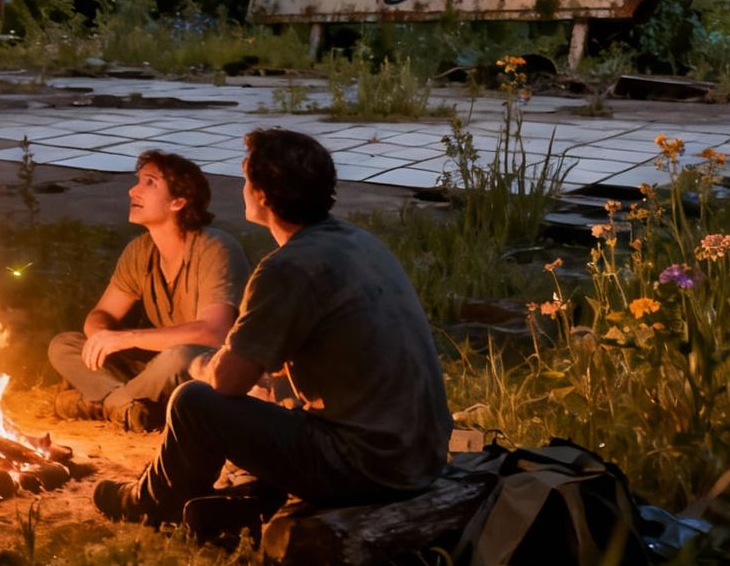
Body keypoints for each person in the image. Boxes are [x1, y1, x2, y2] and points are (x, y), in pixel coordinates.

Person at [95, 129, 452, 533]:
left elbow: (227, 382)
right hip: (420, 455)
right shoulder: (358, 242)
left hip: (368, 465)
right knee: (271, 394)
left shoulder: (287, 269)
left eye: (247, 179)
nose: (243, 188)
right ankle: (247, 502)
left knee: (193, 401)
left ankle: (151, 503)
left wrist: (198, 365)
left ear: (262, 195)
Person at [49, 150, 250, 432]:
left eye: (150, 183)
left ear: (178, 202)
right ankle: (129, 406)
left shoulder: (215, 248)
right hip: (151, 371)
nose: (134, 190)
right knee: (64, 345)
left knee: (180, 356)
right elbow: (102, 313)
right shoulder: (140, 250)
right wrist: (103, 336)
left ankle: (106, 403)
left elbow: (214, 333)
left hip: (199, 368)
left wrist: (128, 338)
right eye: (138, 181)